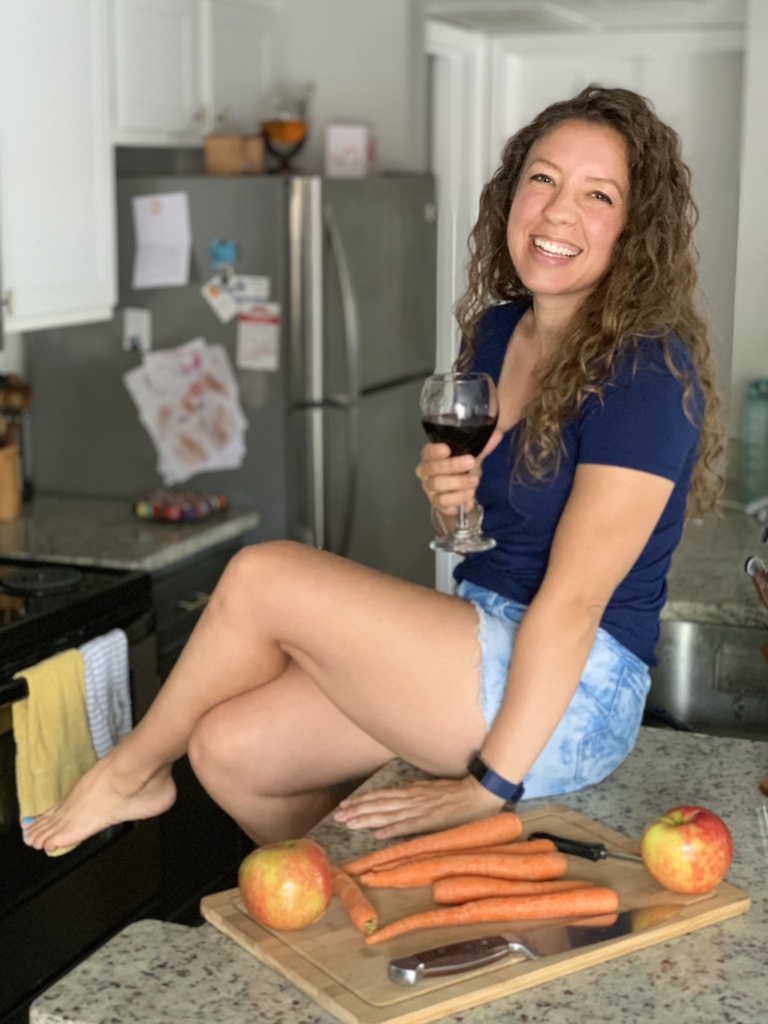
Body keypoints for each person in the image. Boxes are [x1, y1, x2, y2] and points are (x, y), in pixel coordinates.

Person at [23, 86, 723, 854]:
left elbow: (576, 602)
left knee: (263, 577)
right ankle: (352, 909)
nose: (558, 212)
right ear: (511, 194)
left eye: (598, 195)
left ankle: (128, 774)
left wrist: (490, 784)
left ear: (635, 230)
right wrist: (447, 501)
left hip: (575, 691)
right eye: (543, 178)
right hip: (482, 634)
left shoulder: (647, 373)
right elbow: (483, 536)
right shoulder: (496, 333)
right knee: (231, 750)